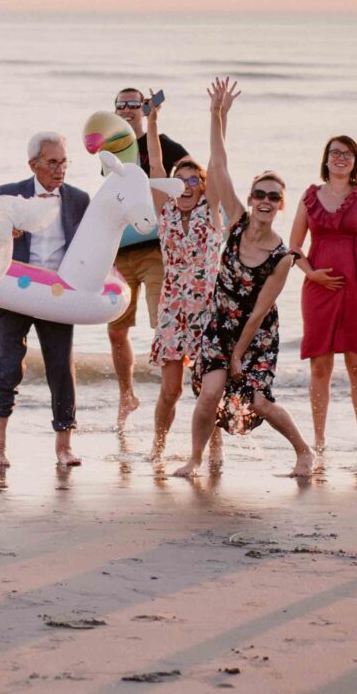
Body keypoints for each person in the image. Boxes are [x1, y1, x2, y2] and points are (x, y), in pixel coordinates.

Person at [181, 78, 320, 479]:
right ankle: (194, 459)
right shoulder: (236, 224)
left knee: (258, 402)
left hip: (254, 334)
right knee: (210, 393)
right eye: (260, 193)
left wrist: (240, 354)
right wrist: (217, 115)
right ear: (251, 196)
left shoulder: (281, 256)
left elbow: (260, 311)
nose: (264, 201)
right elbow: (218, 166)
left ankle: (304, 452)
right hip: (219, 324)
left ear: (281, 205)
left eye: (273, 197)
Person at [288, 136, 357, 453]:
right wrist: (311, 273)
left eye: (347, 154)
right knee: (319, 366)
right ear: (325, 160)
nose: (340, 158)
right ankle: (319, 441)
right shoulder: (309, 197)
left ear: (356, 161)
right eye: (335, 153)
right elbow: (294, 247)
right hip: (318, 289)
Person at [0, 132, 88, 470]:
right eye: (52, 163)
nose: (60, 170)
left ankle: (64, 446)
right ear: (34, 164)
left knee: (61, 370)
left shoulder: (78, 200)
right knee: (9, 367)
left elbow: (92, 250)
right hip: (15, 290)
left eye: (64, 163)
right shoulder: (9, 193)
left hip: (57, 296)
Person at [145, 89, 226, 463]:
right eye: (182, 180)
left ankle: (213, 450)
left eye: (195, 180)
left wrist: (217, 114)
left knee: (208, 391)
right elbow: (157, 167)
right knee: (170, 391)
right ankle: (158, 449)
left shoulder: (212, 212)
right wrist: (153, 121)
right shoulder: (165, 213)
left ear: (203, 186)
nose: (187, 186)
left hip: (207, 311)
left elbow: (218, 161)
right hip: (172, 310)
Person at [106, 87, 189, 429]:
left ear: (143, 108)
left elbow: (189, 176)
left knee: (163, 325)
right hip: (120, 251)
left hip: (156, 250)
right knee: (116, 329)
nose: (126, 109)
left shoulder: (165, 145)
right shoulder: (112, 149)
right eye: (119, 104)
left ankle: (172, 391)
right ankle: (127, 395)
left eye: (132, 103)